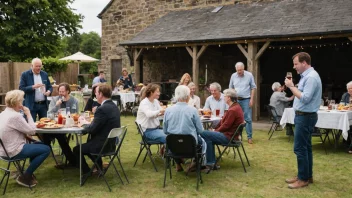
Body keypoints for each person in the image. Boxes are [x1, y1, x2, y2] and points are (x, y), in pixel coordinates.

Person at [284, 52, 322, 189]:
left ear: (304, 63)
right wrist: (294, 86)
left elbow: (304, 98)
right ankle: (306, 175)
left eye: (296, 64)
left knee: (300, 148)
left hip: (305, 116)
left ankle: (303, 179)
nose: (294, 67)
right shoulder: (307, 76)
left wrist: (291, 86)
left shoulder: (311, 77)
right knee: (306, 147)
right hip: (304, 116)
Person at [0, 90, 50, 187]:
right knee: (46, 149)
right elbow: (32, 131)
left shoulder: (3, 114)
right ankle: (25, 176)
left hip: (3, 151)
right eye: (21, 101)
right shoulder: (15, 116)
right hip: (13, 151)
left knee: (39, 145)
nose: (23, 102)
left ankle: (28, 173)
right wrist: (28, 114)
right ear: (16, 102)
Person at [74, 84, 120, 175]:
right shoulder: (114, 106)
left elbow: (92, 129)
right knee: (89, 143)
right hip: (111, 144)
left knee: (77, 149)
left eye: (96, 92)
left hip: (102, 145)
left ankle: (87, 171)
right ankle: (99, 168)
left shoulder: (102, 109)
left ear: (101, 94)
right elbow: (98, 125)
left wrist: (83, 123)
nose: (95, 94)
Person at [163, 85, 205, 172]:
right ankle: (195, 164)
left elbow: (165, 130)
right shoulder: (193, 110)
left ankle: (178, 163)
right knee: (203, 143)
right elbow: (200, 130)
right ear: (188, 96)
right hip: (190, 145)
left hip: (173, 146)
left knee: (174, 140)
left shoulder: (168, 110)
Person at [201, 89, 244, 169]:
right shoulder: (235, 107)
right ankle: (210, 163)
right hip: (230, 135)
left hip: (229, 137)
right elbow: (223, 122)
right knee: (208, 138)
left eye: (224, 96)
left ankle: (208, 162)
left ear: (229, 98)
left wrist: (215, 131)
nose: (223, 98)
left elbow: (226, 126)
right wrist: (214, 130)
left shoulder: (233, 110)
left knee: (203, 133)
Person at [46, 83, 78, 168]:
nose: (61, 93)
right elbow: (49, 115)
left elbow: (76, 114)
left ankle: (72, 160)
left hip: (69, 125)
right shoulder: (54, 100)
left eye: (63, 91)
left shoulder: (74, 101)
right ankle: (72, 160)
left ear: (68, 91)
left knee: (60, 137)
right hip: (56, 126)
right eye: (59, 91)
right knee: (50, 136)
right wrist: (56, 105)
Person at [229, 62, 257, 144]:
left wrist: (252, 99)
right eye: (238, 70)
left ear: (243, 68)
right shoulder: (233, 76)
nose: (239, 72)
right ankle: (238, 136)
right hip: (236, 100)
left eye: (240, 70)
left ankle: (249, 137)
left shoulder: (249, 75)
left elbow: (253, 88)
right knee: (237, 119)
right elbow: (231, 88)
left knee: (247, 118)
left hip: (246, 99)